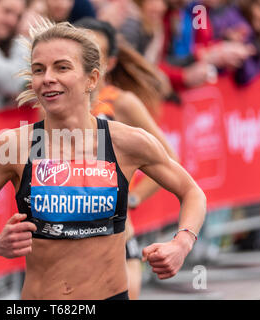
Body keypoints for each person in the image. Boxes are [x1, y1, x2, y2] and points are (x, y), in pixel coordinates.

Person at [0, 20, 206, 300]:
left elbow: (191, 191)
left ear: (92, 79)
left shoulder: (125, 142)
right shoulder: (14, 146)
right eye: (39, 70)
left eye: (62, 67)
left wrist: (181, 243)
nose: (47, 77)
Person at [74, 17, 178, 299]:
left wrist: (133, 198)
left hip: (116, 241)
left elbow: (169, 158)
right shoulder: (52, 106)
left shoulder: (121, 103)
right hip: (65, 246)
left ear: (111, 62)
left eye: (96, 53)